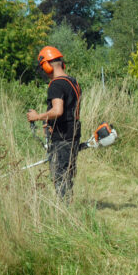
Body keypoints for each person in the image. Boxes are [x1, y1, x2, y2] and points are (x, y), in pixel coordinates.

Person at [27, 46, 82, 200]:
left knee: (60, 177)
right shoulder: (72, 81)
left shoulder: (56, 84)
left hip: (63, 137)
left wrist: (37, 117)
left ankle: (64, 214)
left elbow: (58, 111)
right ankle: (67, 207)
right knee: (67, 174)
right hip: (73, 134)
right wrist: (49, 122)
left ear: (46, 65)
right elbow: (69, 111)